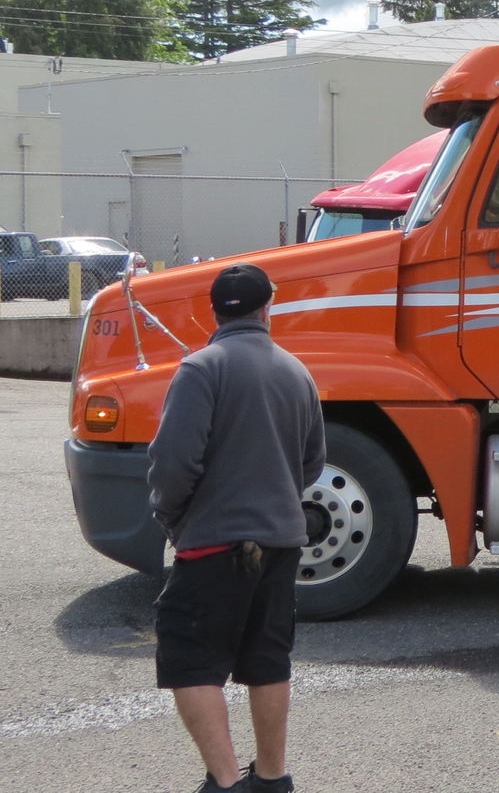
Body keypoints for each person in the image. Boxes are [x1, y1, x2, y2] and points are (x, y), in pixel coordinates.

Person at [148, 264, 325, 793]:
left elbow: (175, 461)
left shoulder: (202, 369)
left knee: (188, 659)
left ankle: (225, 782)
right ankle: (272, 778)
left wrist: (173, 517)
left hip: (214, 540)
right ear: (267, 306)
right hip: (281, 540)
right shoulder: (297, 372)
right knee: (267, 658)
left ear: (213, 311)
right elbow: (313, 463)